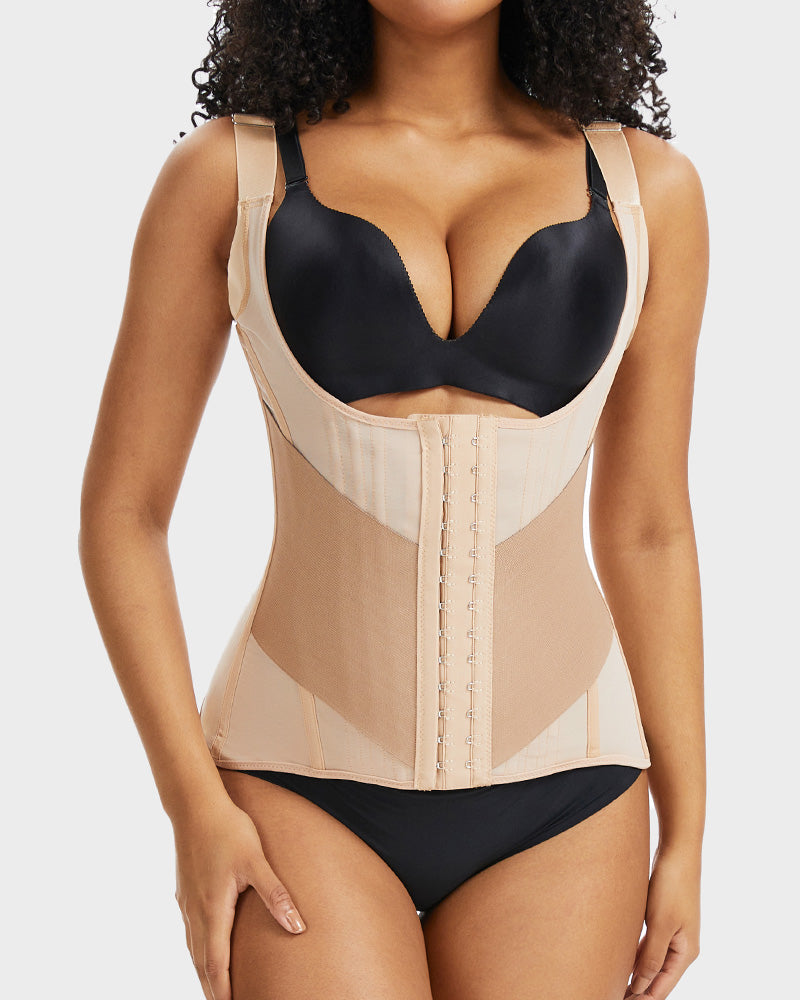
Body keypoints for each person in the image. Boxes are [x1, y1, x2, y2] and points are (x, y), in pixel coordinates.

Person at [79, 1, 708, 998]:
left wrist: (688, 829)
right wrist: (191, 807)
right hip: (294, 783)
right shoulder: (229, 175)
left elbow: (648, 530)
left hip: (567, 798)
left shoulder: (647, 191)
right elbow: (125, 514)